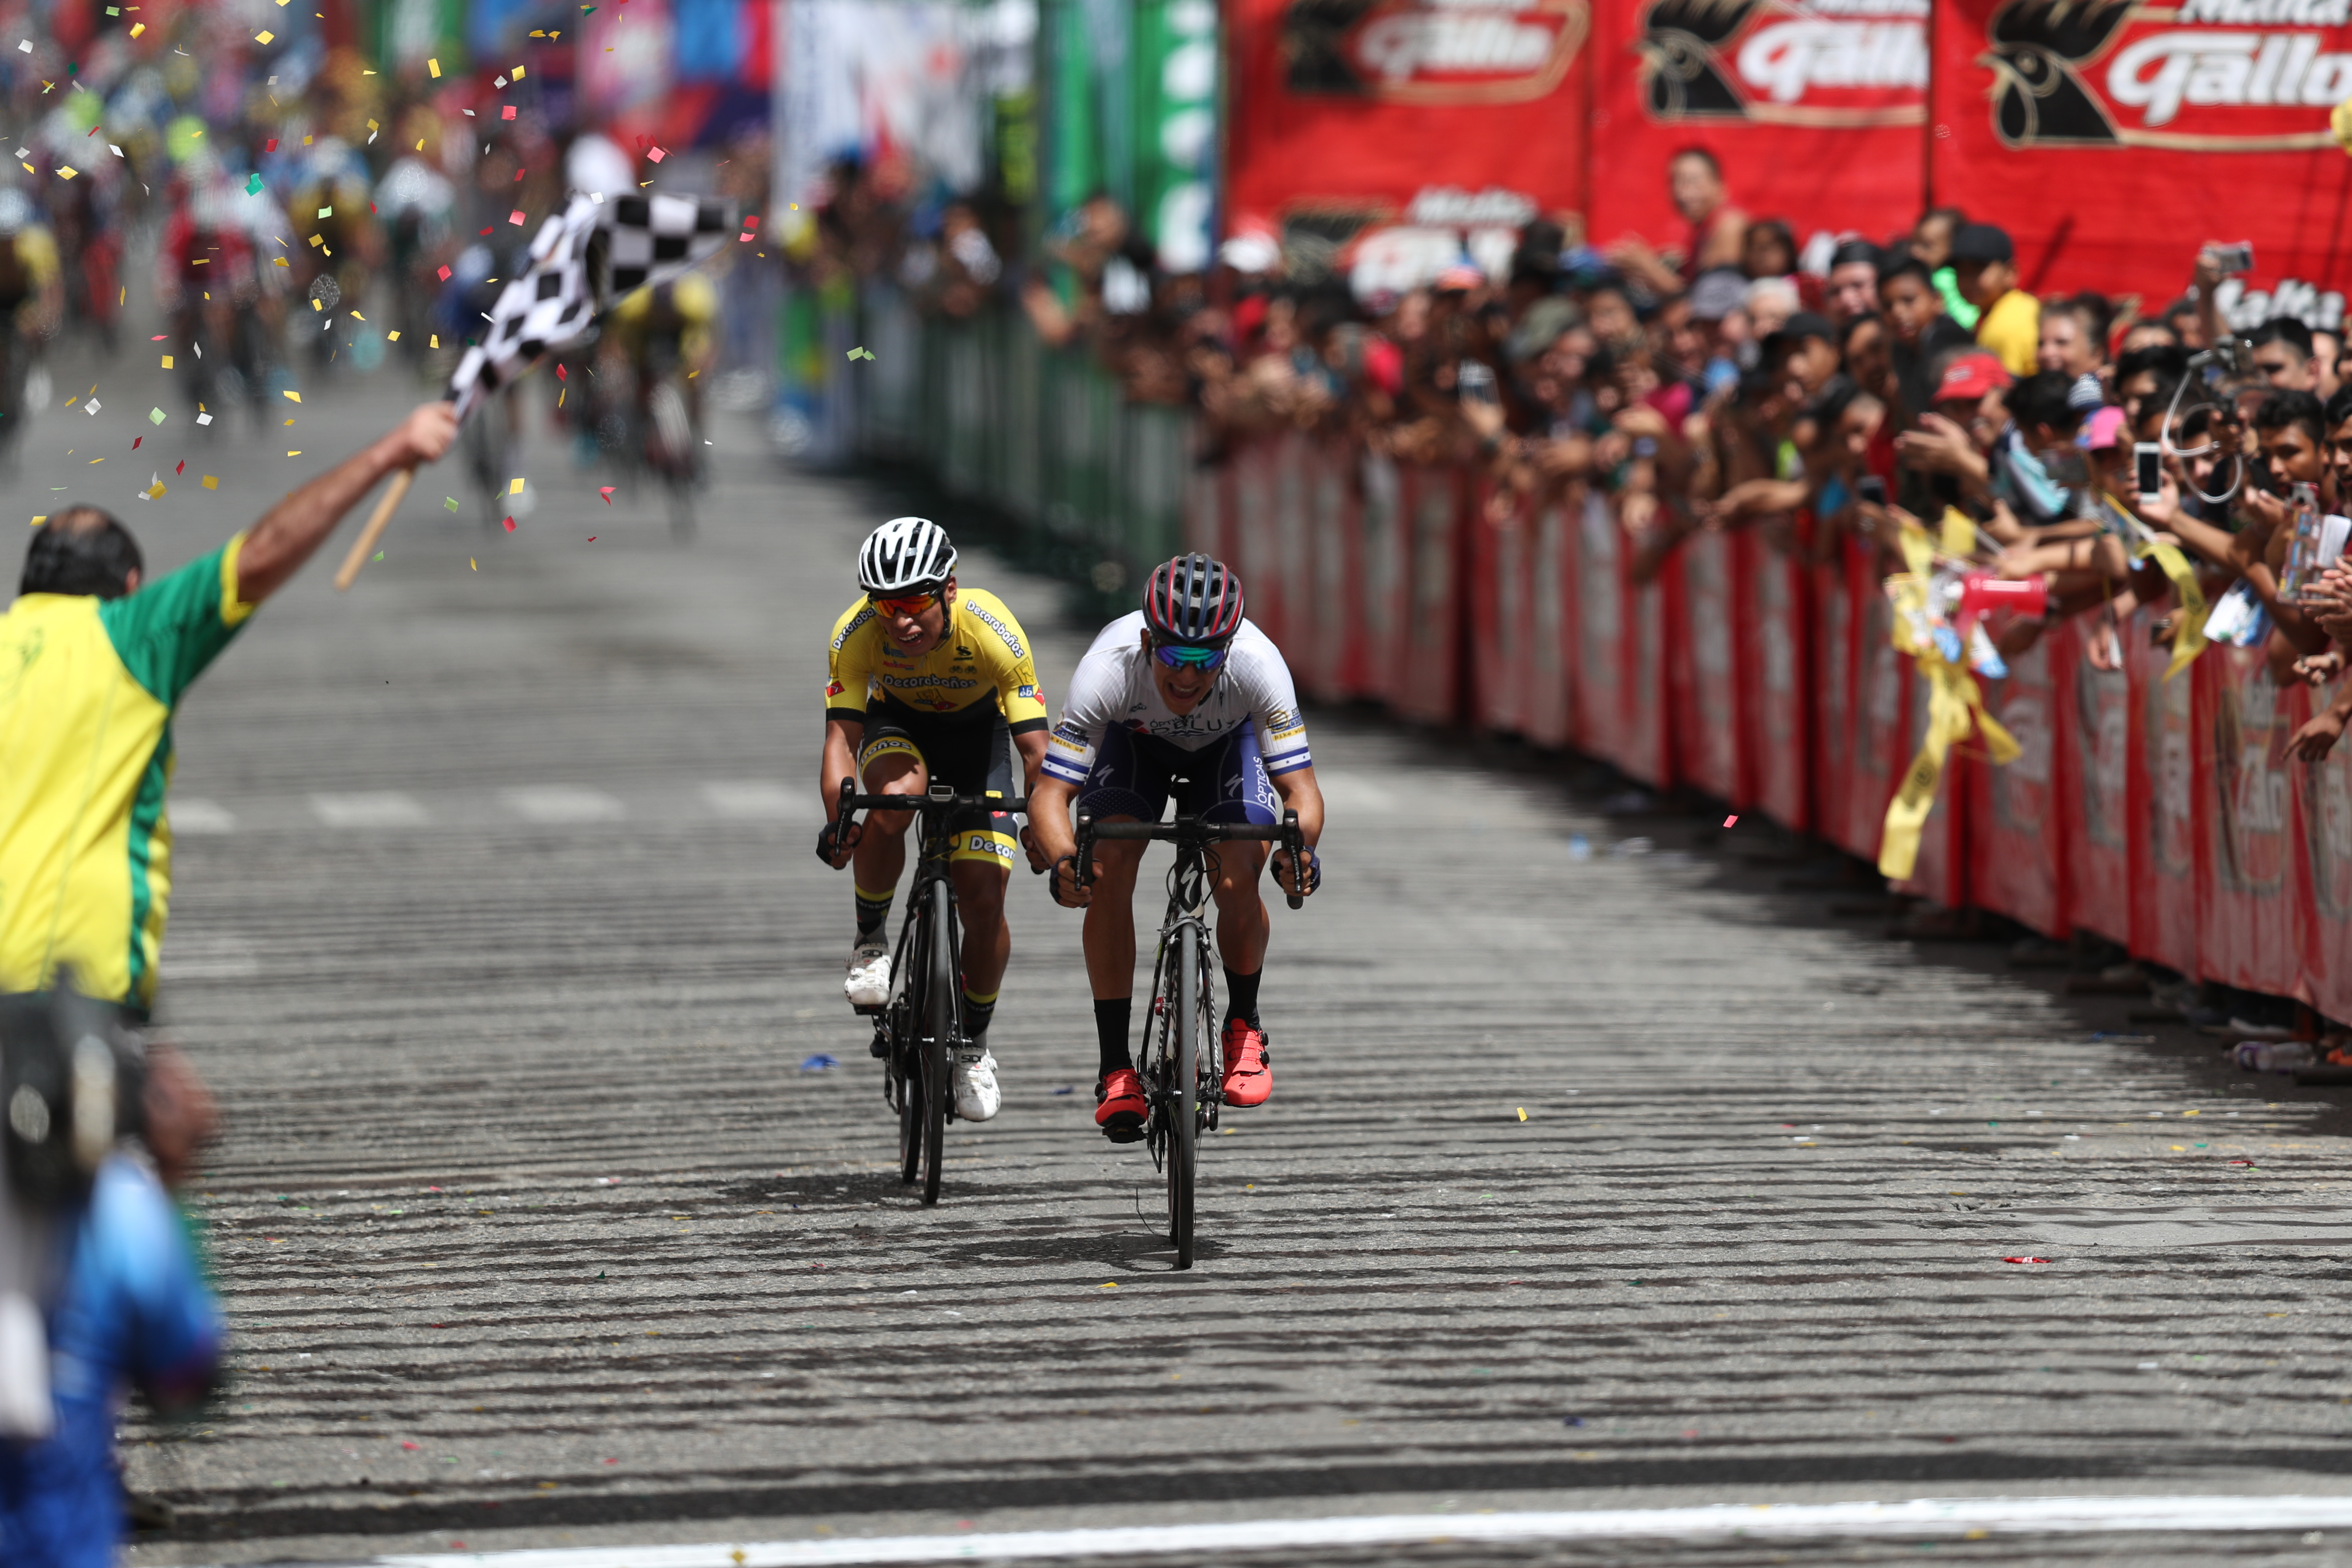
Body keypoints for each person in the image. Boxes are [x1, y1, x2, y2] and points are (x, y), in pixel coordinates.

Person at [0, 403, 459, 1013]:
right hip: (72, 1001)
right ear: (132, 585)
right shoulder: (130, 635)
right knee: (180, 1111)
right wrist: (389, 451)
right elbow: (262, 552)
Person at [1025, 555, 1324, 1135]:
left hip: (1227, 748)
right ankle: (1116, 1067)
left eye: (1206, 659)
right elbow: (1048, 796)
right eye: (1172, 657)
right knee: (1105, 868)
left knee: (1240, 872)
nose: (1187, 676)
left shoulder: (1260, 666)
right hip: (1135, 747)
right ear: (1146, 641)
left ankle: (1244, 1024)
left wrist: (1297, 852)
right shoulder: (1107, 668)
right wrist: (1067, 862)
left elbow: (1302, 792)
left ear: (1229, 650)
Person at [816, 518, 1049, 1123]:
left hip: (983, 740)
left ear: (949, 589)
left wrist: (1048, 828)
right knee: (893, 800)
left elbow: (1036, 752)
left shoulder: (993, 629)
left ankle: (973, 1045)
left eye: (916, 601)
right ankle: (871, 942)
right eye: (887, 606)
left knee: (983, 896)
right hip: (899, 729)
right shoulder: (856, 633)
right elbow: (841, 742)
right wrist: (840, 819)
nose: (901, 621)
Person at [1951, 223, 2039, 377]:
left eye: (1978, 269)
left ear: (2011, 272)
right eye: (1961, 270)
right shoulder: (2021, 305)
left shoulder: (2004, 326)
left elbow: (2006, 394)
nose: (1968, 280)